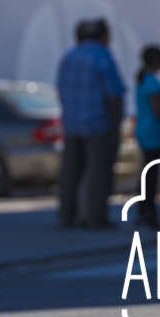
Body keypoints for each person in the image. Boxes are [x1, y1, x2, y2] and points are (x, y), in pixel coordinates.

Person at [57, 19, 125, 229]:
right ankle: (96, 217)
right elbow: (114, 94)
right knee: (98, 173)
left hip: (72, 125)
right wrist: (116, 122)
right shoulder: (102, 57)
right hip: (99, 124)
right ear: (104, 36)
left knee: (70, 173)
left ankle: (66, 216)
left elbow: (61, 90)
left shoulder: (69, 57)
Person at [134, 45, 160, 229]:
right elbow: (159, 110)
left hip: (145, 129)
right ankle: (149, 212)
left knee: (146, 173)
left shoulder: (143, 81)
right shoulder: (152, 84)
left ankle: (142, 211)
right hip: (153, 132)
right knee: (151, 176)